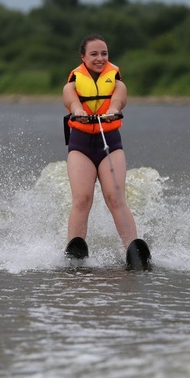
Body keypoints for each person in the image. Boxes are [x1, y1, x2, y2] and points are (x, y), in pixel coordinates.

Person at [63, 34, 147, 263]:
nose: (100, 58)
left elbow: (119, 100)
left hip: (109, 143)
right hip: (81, 146)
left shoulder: (118, 83)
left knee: (115, 197)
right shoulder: (72, 84)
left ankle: (133, 251)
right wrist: (78, 110)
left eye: (104, 54)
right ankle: (75, 251)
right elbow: (71, 101)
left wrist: (113, 109)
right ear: (83, 57)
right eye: (94, 54)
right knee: (82, 198)